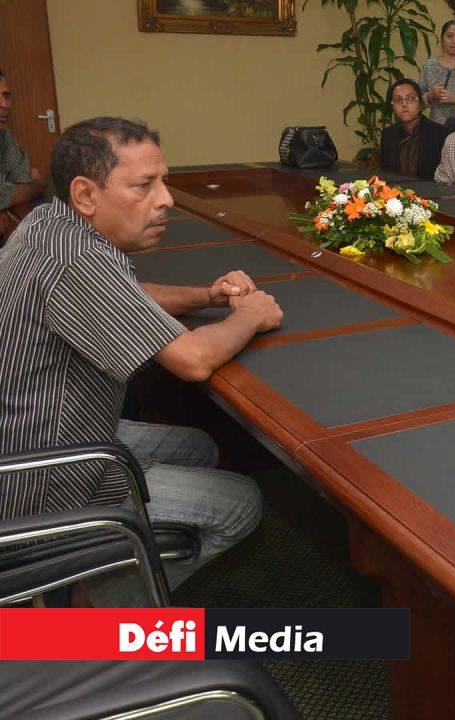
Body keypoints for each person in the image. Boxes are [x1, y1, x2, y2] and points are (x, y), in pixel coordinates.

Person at [0, 117, 285, 606]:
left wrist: (207, 295)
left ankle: (111, 575)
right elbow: (193, 360)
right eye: (144, 185)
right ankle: (110, 624)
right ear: (86, 194)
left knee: (197, 446)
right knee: (242, 505)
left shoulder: (51, 223)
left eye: (164, 181)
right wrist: (251, 316)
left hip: (36, 433)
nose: (166, 199)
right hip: (40, 479)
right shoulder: (75, 258)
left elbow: (127, 296)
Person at [0, 69, 48, 240]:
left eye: (6, 96)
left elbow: (20, 180)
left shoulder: (4, 137)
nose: (4, 104)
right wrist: (38, 186)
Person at [379, 79, 447, 180]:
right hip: (395, 193)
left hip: (431, 193)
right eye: (398, 100)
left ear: (420, 104)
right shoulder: (388, 134)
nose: (404, 104)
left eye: (410, 98)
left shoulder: (440, 133)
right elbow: (385, 174)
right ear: (392, 107)